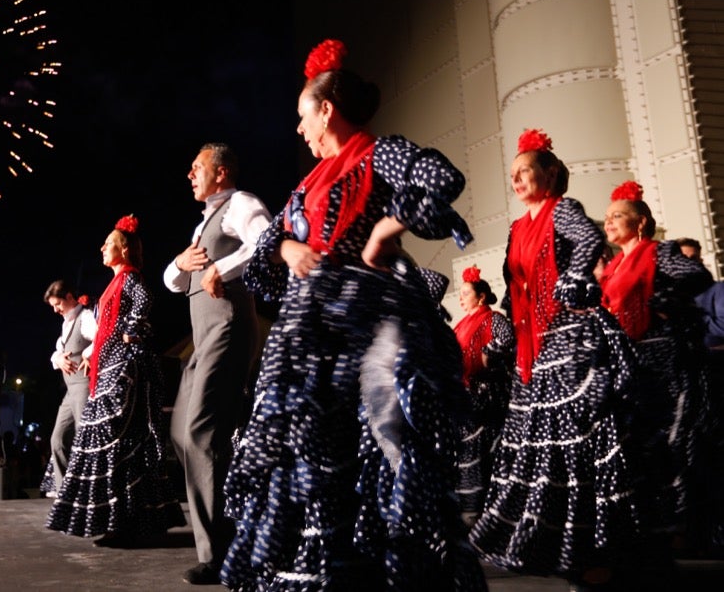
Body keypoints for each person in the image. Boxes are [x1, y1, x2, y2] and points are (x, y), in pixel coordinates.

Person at [221, 39, 485, 590]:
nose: (299, 130)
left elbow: (443, 181)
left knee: (377, 446)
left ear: (325, 109)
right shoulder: (309, 182)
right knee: (303, 457)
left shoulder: (377, 153)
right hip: (306, 336)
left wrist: (388, 227)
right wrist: (291, 249)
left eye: (302, 117)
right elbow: (270, 245)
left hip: (365, 328)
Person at [468, 130, 645, 590]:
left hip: (564, 336)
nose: (517, 179)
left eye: (525, 170)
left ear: (549, 174)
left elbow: (588, 240)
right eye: (512, 174)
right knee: (537, 443)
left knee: (574, 439)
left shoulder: (562, 210)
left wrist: (569, 279)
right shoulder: (516, 227)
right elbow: (515, 280)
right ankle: (548, 543)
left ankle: (595, 548)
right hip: (532, 344)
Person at [162, 142, 271, 585]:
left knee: (201, 432)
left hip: (227, 327)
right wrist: (180, 262)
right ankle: (228, 532)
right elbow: (172, 282)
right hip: (201, 339)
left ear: (221, 172)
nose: (189, 175)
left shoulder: (241, 203)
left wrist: (220, 268)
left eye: (197, 168)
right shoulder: (204, 219)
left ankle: (220, 553)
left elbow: (266, 241)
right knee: (180, 433)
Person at [46, 215, 186, 545]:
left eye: (107, 244)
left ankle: (124, 521)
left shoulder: (129, 279)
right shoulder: (115, 282)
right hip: (111, 365)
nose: (102, 248)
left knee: (117, 439)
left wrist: (129, 332)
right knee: (118, 440)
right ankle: (128, 520)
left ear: (122, 249)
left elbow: (144, 300)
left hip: (125, 368)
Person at [599, 184, 716, 562]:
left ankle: (689, 529)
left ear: (641, 222)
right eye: (608, 216)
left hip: (668, 361)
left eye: (617, 214)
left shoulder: (659, 252)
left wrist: (663, 302)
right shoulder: (613, 265)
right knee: (642, 449)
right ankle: (658, 526)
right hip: (632, 365)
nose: (609, 221)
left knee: (677, 444)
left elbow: (696, 275)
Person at [452, 265, 514, 522]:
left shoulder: (493, 319)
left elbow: (508, 337)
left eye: (466, 293)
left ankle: (491, 510)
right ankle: (473, 509)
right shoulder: (460, 325)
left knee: (487, 452)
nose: (461, 298)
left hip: (488, 395)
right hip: (468, 395)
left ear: (480, 297)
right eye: (461, 293)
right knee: (469, 453)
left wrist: (486, 355)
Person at [37, 279, 96, 499]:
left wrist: (88, 354)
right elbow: (57, 349)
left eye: (58, 304)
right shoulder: (66, 323)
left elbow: (101, 338)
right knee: (58, 440)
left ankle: (87, 492)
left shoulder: (86, 317)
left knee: (84, 438)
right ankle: (65, 491)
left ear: (70, 298)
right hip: (70, 392)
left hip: (83, 387)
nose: (55, 309)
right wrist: (58, 358)